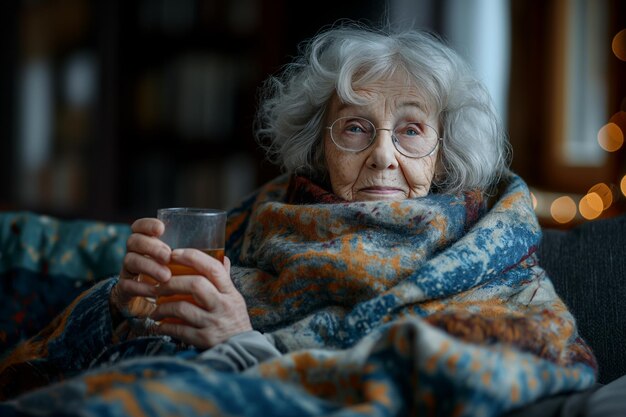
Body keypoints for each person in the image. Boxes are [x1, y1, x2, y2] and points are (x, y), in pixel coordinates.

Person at [0, 21, 624, 417]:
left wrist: (243, 346)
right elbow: (138, 336)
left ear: (444, 153)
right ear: (320, 145)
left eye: (410, 131)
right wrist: (125, 306)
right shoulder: (262, 222)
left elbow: (513, 364)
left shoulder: (494, 260)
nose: (382, 154)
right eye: (355, 128)